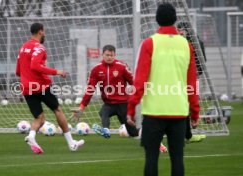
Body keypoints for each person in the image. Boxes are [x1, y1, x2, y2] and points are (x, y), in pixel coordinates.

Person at [127, 3, 200, 176]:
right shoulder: (186, 45)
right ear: (175, 19)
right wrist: (195, 112)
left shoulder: (149, 43)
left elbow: (140, 80)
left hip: (154, 112)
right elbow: (192, 83)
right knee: (177, 159)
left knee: (151, 158)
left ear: (157, 20)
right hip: (179, 112)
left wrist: (131, 108)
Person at [72, 45, 166, 151]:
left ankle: (157, 142)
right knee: (103, 112)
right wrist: (82, 106)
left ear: (115, 55)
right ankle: (106, 130)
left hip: (123, 103)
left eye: (111, 55)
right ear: (102, 55)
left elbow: (133, 82)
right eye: (107, 55)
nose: (109, 57)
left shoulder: (121, 67)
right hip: (109, 103)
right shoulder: (96, 69)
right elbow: (90, 90)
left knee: (133, 132)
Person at [15, 23, 84, 154]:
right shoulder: (39, 48)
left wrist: (27, 77)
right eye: (44, 31)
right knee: (57, 110)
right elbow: (35, 66)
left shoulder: (23, 48)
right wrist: (57, 71)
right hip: (41, 86)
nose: (44, 34)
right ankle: (71, 143)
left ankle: (31, 136)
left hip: (26, 87)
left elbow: (18, 71)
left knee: (39, 118)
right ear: (40, 31)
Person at [177, 21, 207, 143]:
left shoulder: (197, 42)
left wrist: (196, 75)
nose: (180, 32)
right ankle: (185, 134)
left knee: (188, 105)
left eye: (182, 30)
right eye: (178, 30)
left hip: (191, 78)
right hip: (178, 79)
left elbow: (202, 60)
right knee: (183, 106)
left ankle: (187, 134)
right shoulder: (177, 43)